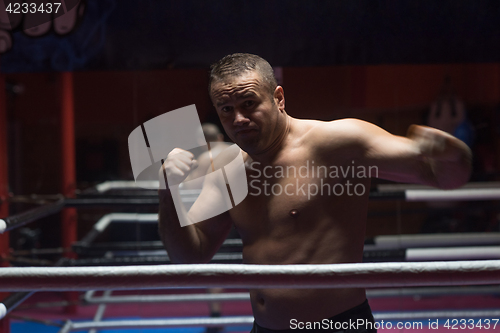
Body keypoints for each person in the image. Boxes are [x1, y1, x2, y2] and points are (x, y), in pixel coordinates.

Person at [158, 53, 472, 332]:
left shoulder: (337, 143)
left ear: (278, 98)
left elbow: (444, 176)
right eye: (226, 109)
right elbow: (190, 256)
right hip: (264, 327)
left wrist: (452, 153)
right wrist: (167, 191)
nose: (238, 119)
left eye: (249, 103)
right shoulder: (226, 171)